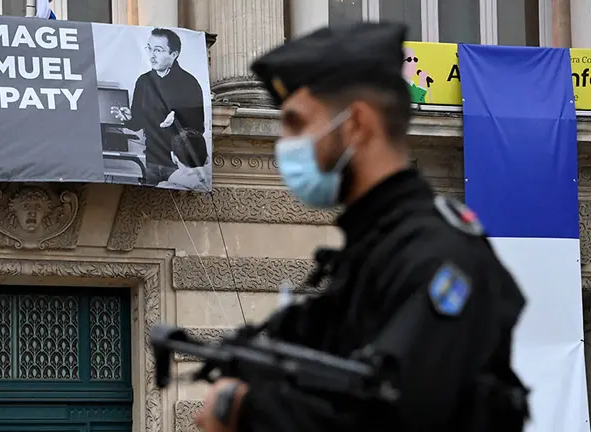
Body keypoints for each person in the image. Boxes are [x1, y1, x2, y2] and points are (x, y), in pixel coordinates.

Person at [193, 22, 530, 432]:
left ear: (356, 125)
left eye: (297, 124)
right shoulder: (370, 251)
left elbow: (394, 414)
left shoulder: (438, 256)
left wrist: (245, 410)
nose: (284, 142)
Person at [110, 28, 205, 185]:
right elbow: (138, 123)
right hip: (151, 160)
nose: (152, 55)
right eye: (150, 48)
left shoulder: (189, 84)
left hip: (180, 164)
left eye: (158, 50)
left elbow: (198, 130)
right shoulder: (144, 81)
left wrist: (175, 123)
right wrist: (129, 118)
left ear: (174, 54)